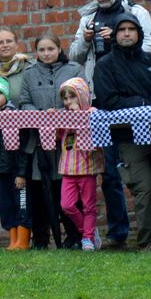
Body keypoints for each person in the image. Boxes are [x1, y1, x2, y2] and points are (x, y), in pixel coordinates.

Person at [69, 0, 151, 247]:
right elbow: (74, 57)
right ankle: (118, 233)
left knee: (137, 165)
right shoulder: (88, 17)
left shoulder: (136, 12)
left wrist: (118, 37)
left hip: (131, 97)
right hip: (98, 99)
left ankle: (147, 233)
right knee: (106, 169)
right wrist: (86, 39)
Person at [92, 15, 151, 250]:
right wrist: (144, 103)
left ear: (138, 33)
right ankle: (147, 242)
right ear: (115, 35)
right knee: (144, 188)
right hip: (129, 139)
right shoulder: (105, 65)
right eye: (122, 29)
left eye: (131, 29)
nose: (127, 33)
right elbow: (108, 100)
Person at [15, 35, 83, 249]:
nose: (46, 53)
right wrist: (43, 116)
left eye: (50, 49)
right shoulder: (29, 73)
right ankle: (41, 239)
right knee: (40, 191)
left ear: (58, 48)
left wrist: (61, 114)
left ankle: (75, 236)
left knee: (68, 188)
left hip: (68, 140)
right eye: (42, 49)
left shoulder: (74, 69)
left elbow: (83, 97)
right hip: (38, 141)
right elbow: (24, 102)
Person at [0, 77, 31, 250]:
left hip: (14, 171)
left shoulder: (14, 116)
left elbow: (22, 148)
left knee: (21, 204)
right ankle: (13, 240)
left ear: (6, 95)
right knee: (5, 205)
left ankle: (23, 240)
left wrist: (21, 173)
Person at [56, 78, 103, 249]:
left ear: (82, 96)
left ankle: (87, 239)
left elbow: (96, 134)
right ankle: (87, 232)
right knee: (67, 205)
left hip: (87, 168)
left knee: (89, 206)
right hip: (68, 169)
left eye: (72, 97)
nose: (68, 102)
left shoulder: (92, 112)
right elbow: (57, 136)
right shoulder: (63, 115)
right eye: (66, 98)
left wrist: (78, 115)